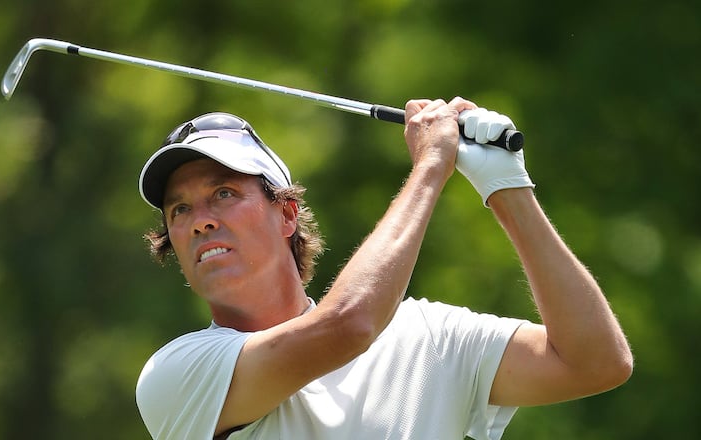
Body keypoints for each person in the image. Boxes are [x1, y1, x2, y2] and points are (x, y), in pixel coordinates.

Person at [134, 98, 633, 440]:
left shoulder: (426, 337)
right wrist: (431, 167)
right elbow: (348, 324)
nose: (200, 221)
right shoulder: (177, 373)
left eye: (224, 193)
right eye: (179, 210)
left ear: (287, 214)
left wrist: (506, 188)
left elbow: (596, 362)